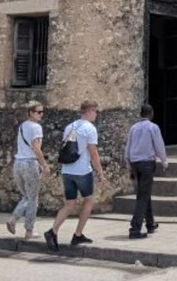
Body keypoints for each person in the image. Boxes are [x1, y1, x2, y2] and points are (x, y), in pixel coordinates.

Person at [44, 100, 105, 251]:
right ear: (90, 110)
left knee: (70, 203)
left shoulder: (70, 126)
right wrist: (100, 172)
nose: (96, 115)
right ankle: (77, 234)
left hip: (67, 170)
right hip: (82, 170)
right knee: (89, 200)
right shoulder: (90, 128)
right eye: (96, 111)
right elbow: (93, 153)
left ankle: (53, 231)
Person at [124, 104, 168, 239]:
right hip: (147, 163)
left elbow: (128, 146)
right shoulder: (153, 127)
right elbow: (159, 145)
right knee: (143, 195)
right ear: (151, 114)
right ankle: (135, 228)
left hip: (135, 163)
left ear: (140, 114)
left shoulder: (133, 128)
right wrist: (164, 161)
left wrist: (128, 162)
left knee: (144, 192)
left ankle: (150, 223)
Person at [7, 101, 50, 239]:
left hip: (18, 163)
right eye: (38, 112)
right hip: (30, 163)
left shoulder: (22, 126)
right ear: (31, 112)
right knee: (33, 199)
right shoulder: (36, 127)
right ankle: (27, 230)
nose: (41, 115)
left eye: (42, 112)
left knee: (27, 196)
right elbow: (36, 148)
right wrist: (44, 165)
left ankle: (14, 221)